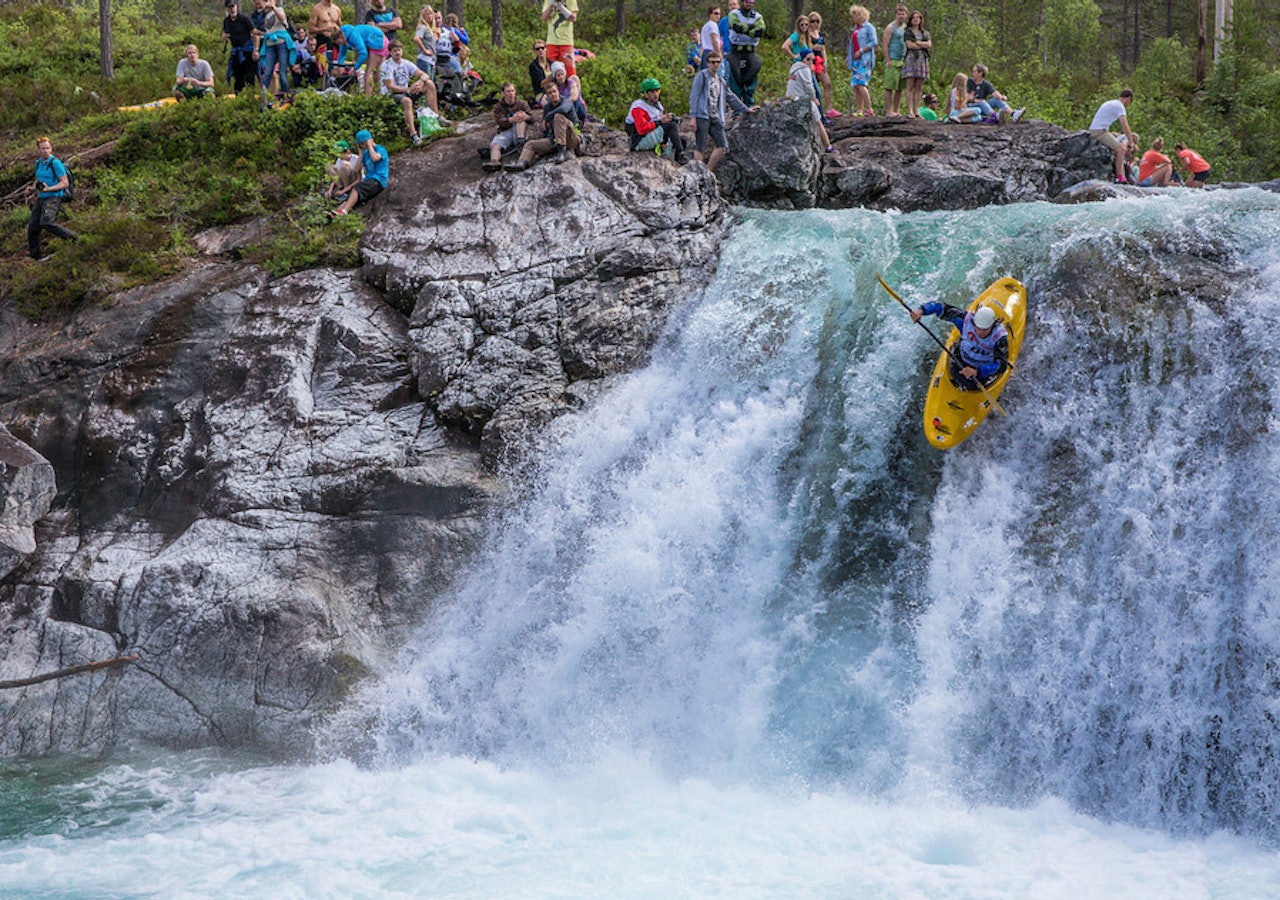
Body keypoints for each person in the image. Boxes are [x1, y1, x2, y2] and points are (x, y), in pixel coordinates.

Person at [910, 302, 1009, 391]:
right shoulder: (965, 320)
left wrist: (978, 371)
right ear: (974, 322)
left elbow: (1002, 365)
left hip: (981, 372)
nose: (980, 332)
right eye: (978, 328)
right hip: (960, 361)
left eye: (985, 329)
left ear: (993, 325)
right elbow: (941, 307)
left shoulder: (999, 338)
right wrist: (921, 310)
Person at [688, 49, 754, 172]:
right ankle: (698, 175)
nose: (715, 65)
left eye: (718, 62)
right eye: (712, 62)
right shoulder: (701, 76)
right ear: (707, 63)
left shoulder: (721, 80)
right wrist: (693, 116)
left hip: (715, 115)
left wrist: (746, 109)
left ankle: (707, 171)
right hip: (702, 115)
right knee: (700, 146)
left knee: (722, 145)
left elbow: (731, 97)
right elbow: (694, 96)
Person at [505, 80, 581, 171]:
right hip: (554, 139)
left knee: (558, 116)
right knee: (530, 144)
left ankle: (562, 151)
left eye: (554, 91)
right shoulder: (547, 107)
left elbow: (564, 110)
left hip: (571, 138)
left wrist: (548, 117)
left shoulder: (566, 101)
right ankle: (522, 163)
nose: (553, 94)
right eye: (550, 93)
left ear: (558, 92)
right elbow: (545, 128)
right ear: (547, 96)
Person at [381, 40, 441, 145]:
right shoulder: (387, 65)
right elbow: (390, 86)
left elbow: (424, 74)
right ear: (390, 52)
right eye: (395, 51)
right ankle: (413, 134)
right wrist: (408, 89)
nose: (397, 53)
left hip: (406, 90)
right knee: (407, 101)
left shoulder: (406, 63)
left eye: (399, 50)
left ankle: (436, 116)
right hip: (391, 94)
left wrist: (421, 82)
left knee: (429, 84)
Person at [28, 137, 77, 261]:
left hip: (54, 196)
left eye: (47, 148)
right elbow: (39, 180)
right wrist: (32, 189)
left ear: (51, 149)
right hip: (42, 197)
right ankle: (36, 256)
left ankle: (73, 238)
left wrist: (49, 189)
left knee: (46, 222)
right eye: (43, 148)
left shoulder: (55, 163)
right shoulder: (39, 163)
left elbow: (64, 183)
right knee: (33, 227)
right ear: (38, 150)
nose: (45, 151)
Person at [626, 78, 688, 163]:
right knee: (670, 125)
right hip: (639, 140)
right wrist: (660, 122)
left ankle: (673, 158)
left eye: (657, 91)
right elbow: (641, 129)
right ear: (646, 94)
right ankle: (680, 155)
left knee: (682, 141)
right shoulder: (638, 107)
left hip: (650, 135)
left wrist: (668, 117)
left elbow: (660, 120)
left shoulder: (657, 105)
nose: (655, 94)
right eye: (652, 92)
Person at [787, 49, 836, 154]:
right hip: (802, 100)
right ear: (803, 59)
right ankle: (828, 147)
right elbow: (809, 86)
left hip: (791, 101)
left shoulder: (793, 69)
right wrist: (814, 99)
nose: (810, 62)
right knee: (819, 123)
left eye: (812, 60)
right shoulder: (804, 70)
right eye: (808, 59)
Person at [331, 129, 387, 216]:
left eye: (363, 144)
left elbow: (375, 158)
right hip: (368, 181)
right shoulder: (365, 154)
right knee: (350, 198)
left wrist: (369, 145)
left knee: (357, 188)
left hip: (378, 180)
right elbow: (357, 169)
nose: (362, 146)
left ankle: (344, 212)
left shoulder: (380, 149)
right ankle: (335, 214)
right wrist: (361, 153)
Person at [1089, 88, 1136, 184]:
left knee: (1116, 144)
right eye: (1129, 102)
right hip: (1099, 131)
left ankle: (1115, 173)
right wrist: (1131, 141)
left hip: (1098, 129)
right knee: (1120, 149)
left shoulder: (1112, 103)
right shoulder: (1119, 106)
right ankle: (1120, 177)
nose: (1128, 105)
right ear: (1128, 98)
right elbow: (1124, 124)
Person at [483, 81, 532, 172]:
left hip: (520, 131)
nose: (511, 94)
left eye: (512, 91)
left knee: (520, 118)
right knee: (495, 145)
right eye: (508, 91)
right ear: (503, 93)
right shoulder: (498, 106)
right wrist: (511, 119)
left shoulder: (522, 103)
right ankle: (494, 161)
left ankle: (520, 143)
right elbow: (499, 121)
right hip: (506, 131)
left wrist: (525, 116)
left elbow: (532, 118)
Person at [725, 0, 765, 105]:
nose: (749, 4)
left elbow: (760, 31)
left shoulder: (758, 17)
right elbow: (736, 28)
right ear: (742, 2)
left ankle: (749, 104)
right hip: (735, 52)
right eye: (747, 1)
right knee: (735, 78)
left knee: (753, 73)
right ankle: (737, 108)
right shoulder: (734, 14)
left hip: (750, 51)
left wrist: (745, 28)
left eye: (752, 2)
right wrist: (751, 27)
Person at [332, 23, 388, 97]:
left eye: (339, 42)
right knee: (377, 71)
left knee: (369, 72)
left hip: (378, 41)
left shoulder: (353, 35)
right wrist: (340, 66)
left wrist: (355, 67)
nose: (340, 44)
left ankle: (369, 98)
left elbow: (363, 53)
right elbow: (342, 53)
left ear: (341, 36)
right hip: (375, 42)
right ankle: (378, 95)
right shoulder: (344, 38)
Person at [257, 1, 294, 97]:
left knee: (282, 71)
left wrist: (273, 7)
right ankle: (264, 94)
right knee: (268, 71)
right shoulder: (265, 15)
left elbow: (283, 20)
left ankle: (285, 94)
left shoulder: (280, 10)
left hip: (281, 42)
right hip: (270, 44)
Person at [846, 6, 877, 117]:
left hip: (864, 60)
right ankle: (860, 109)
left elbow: (874, 42)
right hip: (855, 61)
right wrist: (849, 57)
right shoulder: (856, 28)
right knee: (856, 85)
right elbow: (852, 44)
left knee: (861, 84)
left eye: (854, 15)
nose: (853, 18)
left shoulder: (869, 27)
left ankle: (869, 108)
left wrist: (861, 50)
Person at [807, 11, 837, 119]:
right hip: (811, 61)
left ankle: (829, 109)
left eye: (817, 21)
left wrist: (826, 61)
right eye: (812, 21)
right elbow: (805, 47)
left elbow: (823, 49)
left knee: (827, 84)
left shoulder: (820, 34)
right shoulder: (807, 34)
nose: (814, 23)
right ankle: (814, 109)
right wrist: (813, 48)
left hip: (820, 61)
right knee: (813, 87)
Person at [222, 2, 258, 92]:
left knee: (249, 77)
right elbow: (226, 33)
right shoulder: (226, 21)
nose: (232, 9)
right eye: (229, 7)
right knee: (238, 78)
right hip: (236, 52)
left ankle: (251, 97)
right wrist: (225, 36)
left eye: (233, 6)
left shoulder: (244, 19)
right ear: (227, 9)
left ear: (236, 7)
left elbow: (255, 33)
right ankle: (239, 100)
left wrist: (256, 50)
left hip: (248, 51)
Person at [901, 10, 930, 118]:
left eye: (918, 17)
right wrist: (922, 45)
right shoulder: (908, 32)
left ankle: (916, 110)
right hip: (911, 59)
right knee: (910, 86)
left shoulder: (924, 33)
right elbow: (910, 45)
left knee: (919, 87)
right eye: (914, 17)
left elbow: (929, 44)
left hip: (922, 60)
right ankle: (910, 111)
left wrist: (918, 43)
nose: (916, 19)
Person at [881, 5, 908, 117]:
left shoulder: (906, 27)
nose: (901, 16)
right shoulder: (890, 27)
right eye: (899, 14)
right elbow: (885, 45)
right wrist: (888, 60)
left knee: (899, 88)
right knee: (889, 87)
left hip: (903, 60)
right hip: (892, 59)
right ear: (896, 15)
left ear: (906, 15)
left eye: (903, 14)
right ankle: (888, 111)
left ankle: (896, 110)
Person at [541, 0, 579, 78]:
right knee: (550, 72)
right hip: (551, 41)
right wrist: (551, 5)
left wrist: (560, 7)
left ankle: (572, 89)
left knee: (570, 72)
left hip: (566, 41)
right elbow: (544, 18)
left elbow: (573, 18)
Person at [412, 6, 437, 76]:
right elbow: (416, 38)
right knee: (427, 83)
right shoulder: (423, 27)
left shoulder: (431, 29)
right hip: (425, 59)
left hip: (431, 60)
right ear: (423, 16)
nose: (429, 16)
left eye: (430, 14)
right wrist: (425, 50)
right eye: (427, 14)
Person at [528, 38, 553, 104]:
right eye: (537, 49)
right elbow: (541, 84)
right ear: (534, 51)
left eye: (542, 48)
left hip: (554, 90)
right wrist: (552, 76)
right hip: (541, 93)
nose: (540, 50)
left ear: (546, 49)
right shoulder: (533, 66)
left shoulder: (552, 63)